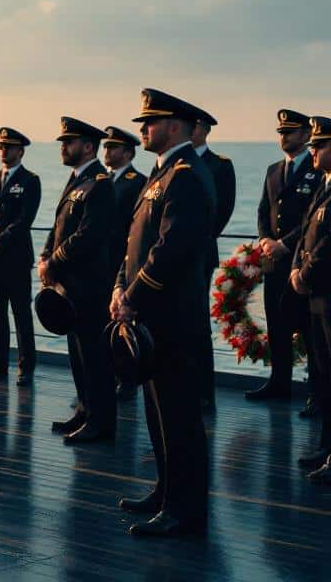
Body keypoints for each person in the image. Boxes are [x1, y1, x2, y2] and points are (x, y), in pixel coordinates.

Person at [111, 88, 215, 538]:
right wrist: (120, 287)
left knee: (180, 418)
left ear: (174, 125)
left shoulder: (187, 176)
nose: (141, 130)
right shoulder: (161, 175)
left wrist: (134, 294)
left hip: (173, 319)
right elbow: (133, 244)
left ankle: (185, 510)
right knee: (158, 415)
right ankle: (165, 491)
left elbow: (170, 249)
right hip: (150, 317)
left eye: (149, 122)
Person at [39, 118, 116, 443]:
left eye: (68, 142)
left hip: (90, 285)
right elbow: (59, 227)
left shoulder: (99, 183)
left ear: (87, 146)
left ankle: (101, 422)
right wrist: (45, 257)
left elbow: (88, 234)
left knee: (95, 356)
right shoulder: (78, 181)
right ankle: (84, 411)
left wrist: (54, 261)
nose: (63, 147)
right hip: (69, 286)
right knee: (78, 353)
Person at [249, 110, 317, 402]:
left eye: (289, 132)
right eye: (281, 132)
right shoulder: (273, 169)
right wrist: (265, 239)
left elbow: (312, 218)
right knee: (277, 325)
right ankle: (279, 384)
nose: (283, 137)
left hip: (302, 259)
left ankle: (317, 393)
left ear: (305, 135)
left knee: (309, 329)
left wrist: (285, 244)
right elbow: (264, 210)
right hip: (275, 262)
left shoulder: (316, 172)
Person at [0, 127, 41, 385]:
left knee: (21, 314)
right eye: (1, 147)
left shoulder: (30, 180)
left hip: (15, 258)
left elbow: (25, 220)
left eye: (9, 147)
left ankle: (26, 367)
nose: (4, 151)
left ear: (20, 151)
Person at [291, 116, 331, 483]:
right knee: (323, 374)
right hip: (318, 297)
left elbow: (326, 246)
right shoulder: (323, 187)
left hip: (327, 292)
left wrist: (303, 274)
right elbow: (306, 234)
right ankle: (326, 446)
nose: (313, 150)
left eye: (320, 145)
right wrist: (294, 268)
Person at [191, 110, 234, 409]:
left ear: (204, 130)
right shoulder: (177, 163)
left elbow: (224, 209)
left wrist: (199, 238)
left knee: (197, 322)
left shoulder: (219, 166)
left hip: (200, 253)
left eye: (192, 127)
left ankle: (204, 392)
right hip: (173, 257)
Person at [102, 125, 145, 400]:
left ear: (128, 152)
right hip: (100, 264)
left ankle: (128, 381)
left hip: (121, 261)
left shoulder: (136, 182)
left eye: (112, 147)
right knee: (103, 323)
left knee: (125, 324)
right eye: (105, 147)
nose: (106, 151)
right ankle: (107, 375)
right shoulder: (102, 179)